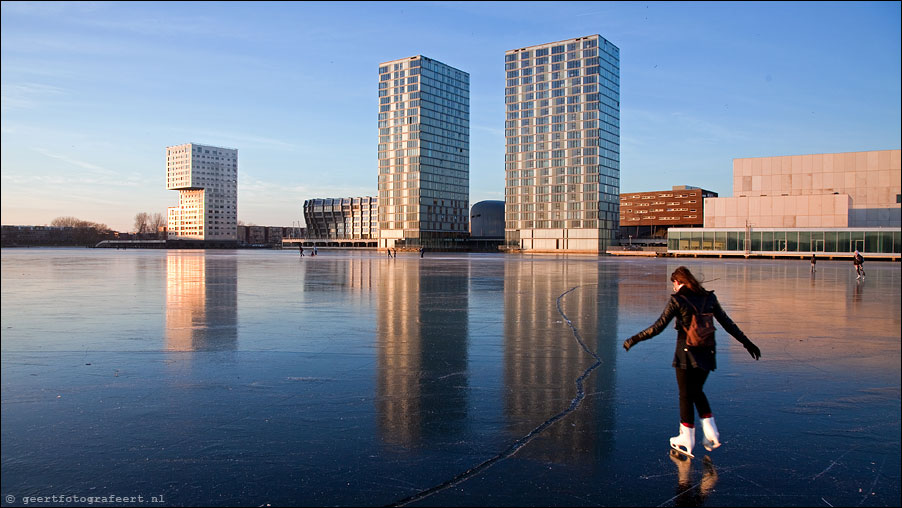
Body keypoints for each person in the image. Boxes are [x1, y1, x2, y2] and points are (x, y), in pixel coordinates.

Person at [622, 266, 761, 458]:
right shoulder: (709, 298)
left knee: (686, 394)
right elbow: (728, 323)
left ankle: (686, 437)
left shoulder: (678, 300)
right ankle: (711, 432)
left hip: (686, 354)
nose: (674, 287)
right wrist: (747, 343)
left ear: (678, 282)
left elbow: (657, 327)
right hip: (708, 352)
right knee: (696, 391)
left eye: (674, 283)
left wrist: (634, 339)